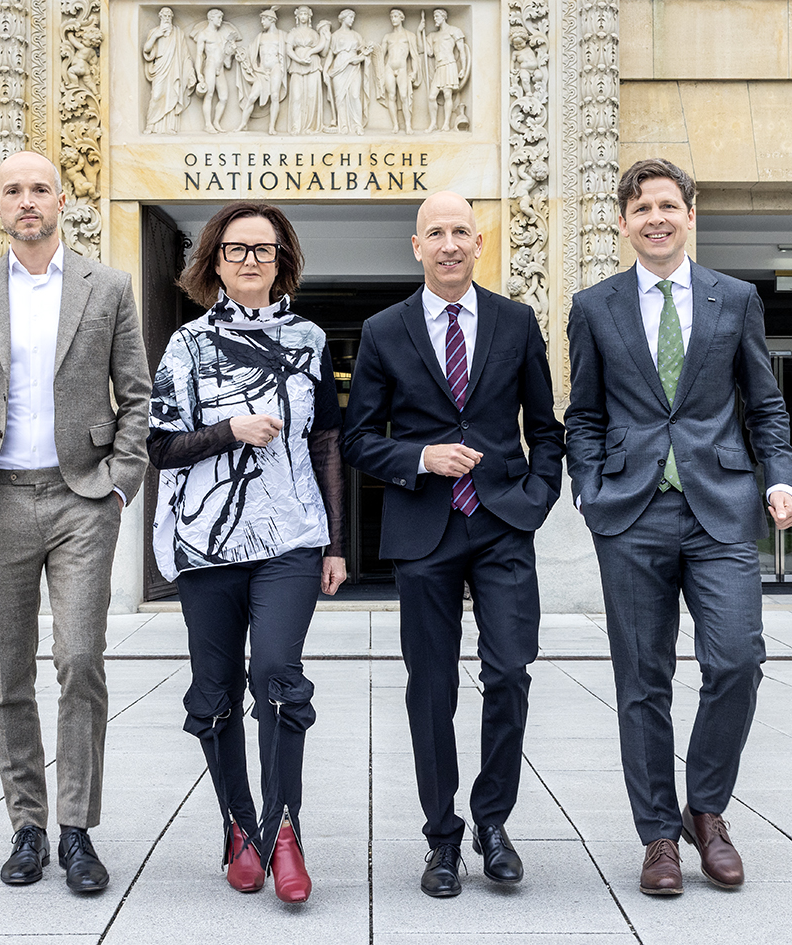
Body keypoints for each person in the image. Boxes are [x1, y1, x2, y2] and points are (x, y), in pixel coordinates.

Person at [563, 158, 792, 896]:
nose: (656, 219)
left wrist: (780, 477)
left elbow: (764, 403)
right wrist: (589, 489)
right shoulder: (594, 306)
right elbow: (583, 414)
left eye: (668, 205)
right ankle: (658, 837)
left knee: (737, 659)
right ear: (623, 222)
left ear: (690, 215)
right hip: (630, 513)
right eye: (641, 208)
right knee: (642, 680)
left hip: (720, 507)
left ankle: (707, 808)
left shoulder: (735, 298)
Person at [0, 151, 151, 892]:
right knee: (7, 670)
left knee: (80, 659)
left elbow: (137, 397)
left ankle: (76, 829)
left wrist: (118, 488)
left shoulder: (107, 287)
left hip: (82, 497)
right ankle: (28, 825)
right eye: (13, 190)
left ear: (62, 201)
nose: (27, 201)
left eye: (40, 189)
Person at [343, 192, 564, 897]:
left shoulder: (515, 321)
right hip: (423, 530)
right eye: (434, 232)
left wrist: (535, 500)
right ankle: (441, 836)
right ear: (416, 247)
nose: (448, 243)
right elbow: (357, 440)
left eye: (460, 231)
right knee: (431, 687)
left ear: (478, 242)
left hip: (502, 524)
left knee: (510, 672)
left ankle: (491, 822)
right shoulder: (383, 330)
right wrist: (420, 457)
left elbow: (546, 428)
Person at [148, 201, 346, 904]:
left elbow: (326, 442)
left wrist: (334, 542)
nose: (251, 260)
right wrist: (228, 430)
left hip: (290, 537)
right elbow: (160, 446)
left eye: (264, 249)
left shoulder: (309, 340)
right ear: (215, 260)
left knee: (276, 676)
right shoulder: (187, 344)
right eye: (237, 249)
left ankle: (283, 831)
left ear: (282, 259)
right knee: (216, 691)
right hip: (207, 543)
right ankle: (238, 828)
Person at [143, 6, 196, 133]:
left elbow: (185, 55)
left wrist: (190, 73)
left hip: (174, 68)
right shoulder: (154, 31)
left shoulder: (178, 33)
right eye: (164, 16)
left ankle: (170, 126)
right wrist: (155, 36)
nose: (167, 18)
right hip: (160, 67)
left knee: (172, 95)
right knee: (156, 95)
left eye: (169, 16)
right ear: (160, 17)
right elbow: (146, 49)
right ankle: (151, 124)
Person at [421, 8, 469, 132]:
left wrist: (463, 68)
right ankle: (433, 123)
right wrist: (419, 32)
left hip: (449, 65)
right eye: (434, 17)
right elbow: (429, 53)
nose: (435, 19)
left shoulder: (454, 31)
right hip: (439, 67)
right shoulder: (433, 36)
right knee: (432, 97)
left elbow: (462, 51)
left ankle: (446, 123)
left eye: (437, 16)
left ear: (444, 17)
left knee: (448, 94)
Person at [193, 9, 240, 133]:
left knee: (224, 97)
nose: (220, 20)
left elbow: (227, 61)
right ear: (211, 18)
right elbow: (199, 55)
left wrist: (231, 50)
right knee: (209, 95)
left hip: (220, 68)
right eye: (218, 17)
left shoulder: (221, 36)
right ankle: (207, 124)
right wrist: (199, 73)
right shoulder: (204, 34)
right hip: (210, 66)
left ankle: (216, 122)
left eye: (221, 18)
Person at [326, 8, 371, 135]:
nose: (352, 20)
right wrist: (325, 71)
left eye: (353, 18)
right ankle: (343, 125)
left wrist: (362, 56)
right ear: (343, 18)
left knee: (355, 95)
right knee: (340, 98)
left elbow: (364, 52)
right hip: (339, 67)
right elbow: (330, 55)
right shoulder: (335, 36)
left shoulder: (356, 35)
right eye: (350, 17)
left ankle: (357, 125)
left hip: (353, 67)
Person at [376, 8, 421, 134]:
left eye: (395, 16)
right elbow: (381, 55)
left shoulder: (409, 35)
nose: (393, 19)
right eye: (391, 17)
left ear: (402, 18)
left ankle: (408, 125)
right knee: (391, 96)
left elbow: (414, 56)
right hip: (389, 68)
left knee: (404, 96)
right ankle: (395, 125)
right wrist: (372, 50)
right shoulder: (387, 37)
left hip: (402, 68)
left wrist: (414, 72)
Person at [285, 5, 329, 134]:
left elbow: (323, 53)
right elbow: (288, 50)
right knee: (296, 96)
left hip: (313, 65)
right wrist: (299, 60)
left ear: (309, 16)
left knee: (311, 96)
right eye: (301, 14)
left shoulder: (314, 33)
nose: (303, 16)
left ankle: (311, 126)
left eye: (305, 14)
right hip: (297, 65)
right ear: (297, 16)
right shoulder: (292, 33)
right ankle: (296, 126)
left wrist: (327, 39)